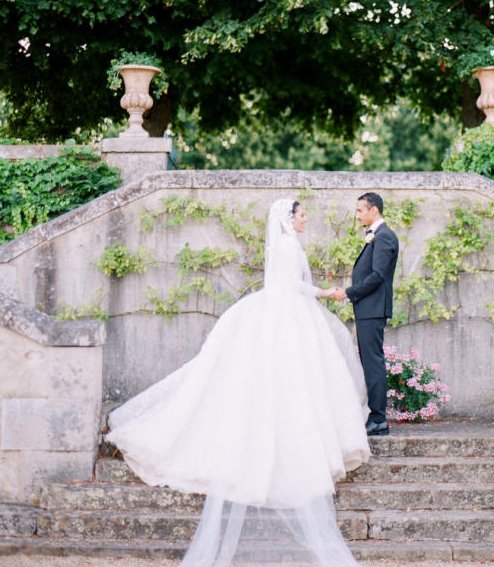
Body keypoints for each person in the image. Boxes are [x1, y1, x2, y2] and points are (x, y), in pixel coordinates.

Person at [106, 197, 369, 566]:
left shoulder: (284, 244)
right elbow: (292, 285)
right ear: (288, 219)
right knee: (290, 376)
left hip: (278, 310)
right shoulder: (287, 246)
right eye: (302, 214)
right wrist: (324, 292)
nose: (306, 219)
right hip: (287, 312)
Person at [333, 192, 399, 437]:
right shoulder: (377, 236)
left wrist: (348, 293)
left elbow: (377, 276)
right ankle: (376, 416)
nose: (357, 214)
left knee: (373, 363)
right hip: (367, 310)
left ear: (374, 210)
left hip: (372, 310)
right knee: (370, 362)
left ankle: (379, 419)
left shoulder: (384, 237)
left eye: (361, 210)